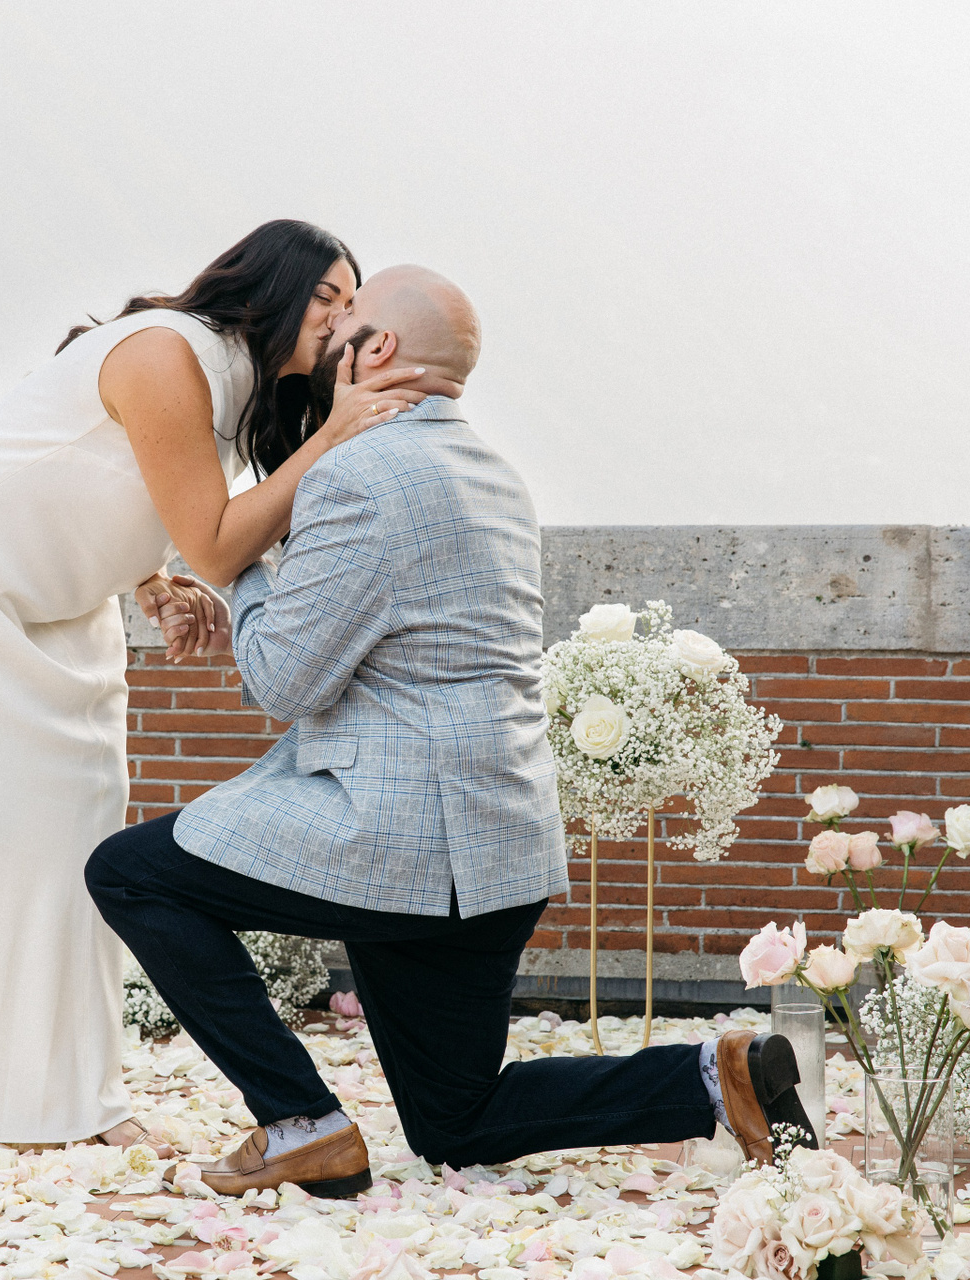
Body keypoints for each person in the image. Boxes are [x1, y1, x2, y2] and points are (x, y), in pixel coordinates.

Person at [86, 265, 816, 1196]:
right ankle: (718, 1076)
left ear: (380, 346)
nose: (329, 328)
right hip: (502, 847)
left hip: (398, 842)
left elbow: (282, 682)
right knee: (457, 1120)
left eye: (347, 314)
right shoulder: (493, 473)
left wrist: (241, 558)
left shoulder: (361, 475)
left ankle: (301, 1121)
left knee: (131, 874)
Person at [0, 221, 434, 1160]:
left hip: (58, 604)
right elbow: (217, 540)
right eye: (325, 297)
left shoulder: (241, 390)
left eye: (352, 305)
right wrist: (332, 437)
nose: (340, 320)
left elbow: (101, 483)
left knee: (75, 847)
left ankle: (65, 1099)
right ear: (269, 286)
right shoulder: (169, 351)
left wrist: (150, 575)